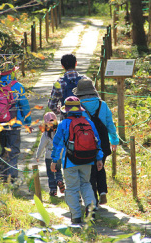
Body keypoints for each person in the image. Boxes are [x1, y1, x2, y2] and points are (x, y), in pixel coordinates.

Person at [50, 96, 104, 224]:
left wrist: (54, 160)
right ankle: (91, 208)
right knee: (86, 184)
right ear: (80, 109)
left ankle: (76, 216)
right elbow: (97, 142)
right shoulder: (89, 122)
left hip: (70, 162)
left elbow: (57, 144)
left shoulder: (64, 124)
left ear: (67, 110)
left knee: (72, 188)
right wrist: (99, 159)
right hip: (88, 160)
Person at [73, 78, 119, 206]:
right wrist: (114, 140)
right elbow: (110, 124)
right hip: (103, 142)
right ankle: (103, 192)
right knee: (101, 166)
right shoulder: (102, 105)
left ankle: (93, 199)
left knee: (89, 171)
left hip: (85, 143)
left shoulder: (77, 107)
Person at [0, 61, 31, 183]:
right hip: (14, 124)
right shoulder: (17, 86)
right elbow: (24, 106)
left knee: (4, 148)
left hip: (0, 124)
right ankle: (12, 179)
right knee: (13, 150)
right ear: (12, 72)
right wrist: (27, 122)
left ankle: (3, 175)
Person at [35, 112, 65, 196]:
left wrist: (38, 156)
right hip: (59, 156)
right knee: (58, 170)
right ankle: (59, 180)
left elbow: (41, 146)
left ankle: (53, 189)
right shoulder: (60, 132)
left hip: (49, 156)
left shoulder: (45, 134)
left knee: (50, 173)